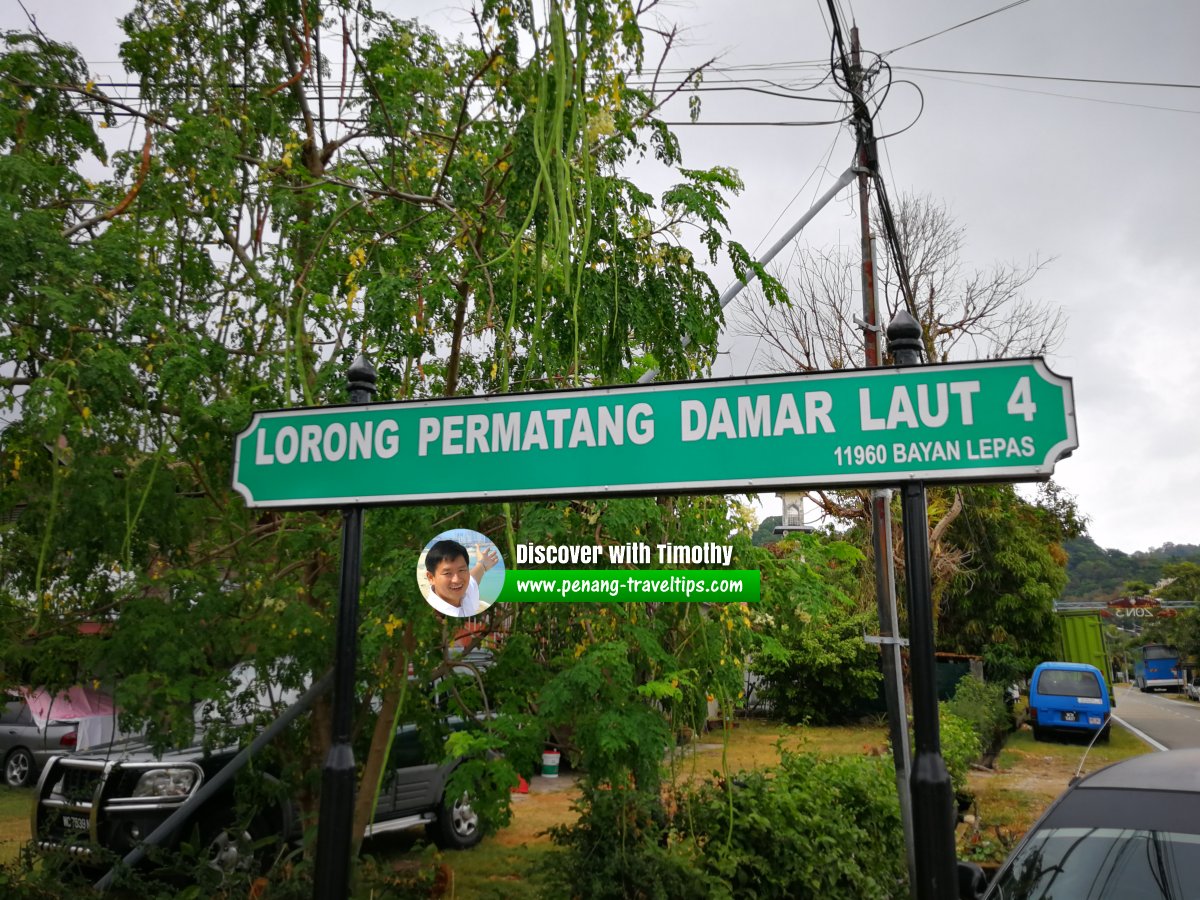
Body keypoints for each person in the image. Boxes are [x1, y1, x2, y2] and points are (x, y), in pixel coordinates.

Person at [423, 539, 498, 618]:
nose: (457, 580)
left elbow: (474, 578)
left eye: (461, 570)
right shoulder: (432, 613)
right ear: (431, 578)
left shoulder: (466, 592)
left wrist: (482, 564)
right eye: (447, 573)